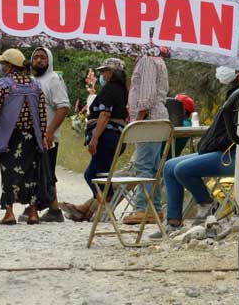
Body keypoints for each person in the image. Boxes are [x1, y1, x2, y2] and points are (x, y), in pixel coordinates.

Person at [150, 97, 237, 239]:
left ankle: (207, 205)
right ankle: (173, 224)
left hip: (232, 154)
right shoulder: (232, 93)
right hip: (218, 150)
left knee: (182, 169)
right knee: (169, 166)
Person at [0, 48, 48, 225]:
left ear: (9, 66)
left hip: (10, 136)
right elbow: (42, 115)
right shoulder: (35, 86)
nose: (2, 67)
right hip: (31, 136)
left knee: (9, 172)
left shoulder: (3, 85)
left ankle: (9, 212)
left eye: (3, 64)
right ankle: (33, 212)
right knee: (32, 173)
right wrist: (42, 135)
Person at [60, 57, 128, 223]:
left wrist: (95, 138)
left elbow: (105, 114)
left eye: (106, 71)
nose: (102, 74)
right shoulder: (123, 90)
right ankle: (92, 208)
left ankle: (105, 208)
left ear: (114, 73)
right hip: (116, 136)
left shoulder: (109, 90)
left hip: (106, 137)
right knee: (91, 173)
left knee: (99, 177)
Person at [122, 49, 169, 226]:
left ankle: (143, 208)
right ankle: (154, 207)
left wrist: (137, 122)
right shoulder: (157, 60)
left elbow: (147, 97)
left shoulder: (148, 60)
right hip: (154, 119)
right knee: (153, 166)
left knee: (143, 165)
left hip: (148, 119)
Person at [26, 46, 70, 223]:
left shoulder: (53, 80)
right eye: (35, 57)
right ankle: (51, 208)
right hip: (32, 135)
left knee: (46, 171)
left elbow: (63, 107)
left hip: (47, 136)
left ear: (49, 60)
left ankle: (47, 207)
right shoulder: (30, 80)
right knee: (36, 171)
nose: (38, 60)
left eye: (42, 58)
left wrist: (50, 131)